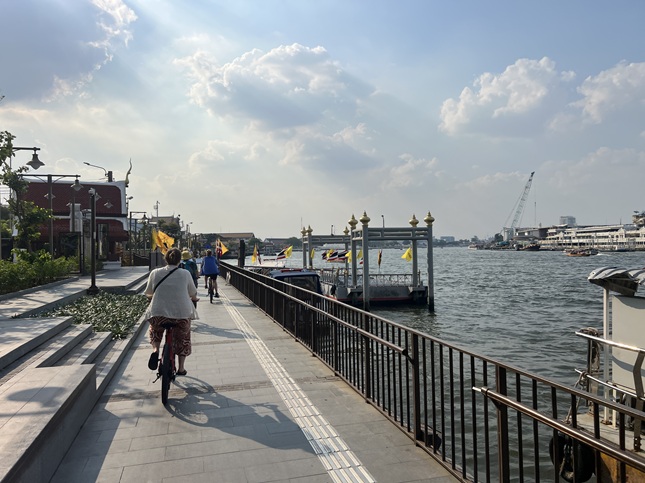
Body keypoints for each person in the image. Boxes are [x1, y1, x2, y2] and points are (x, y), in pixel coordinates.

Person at [144, 247, 198, 376]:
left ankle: (156, 350)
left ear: (166, 259)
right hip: (181, 314)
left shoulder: (155, 272)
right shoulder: (185, 274)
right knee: (183, 338)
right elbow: (193, 292)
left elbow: (148, 292)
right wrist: (194, 298)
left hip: (158, 312)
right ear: (180, 260)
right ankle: (181, 368)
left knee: (155, 330)